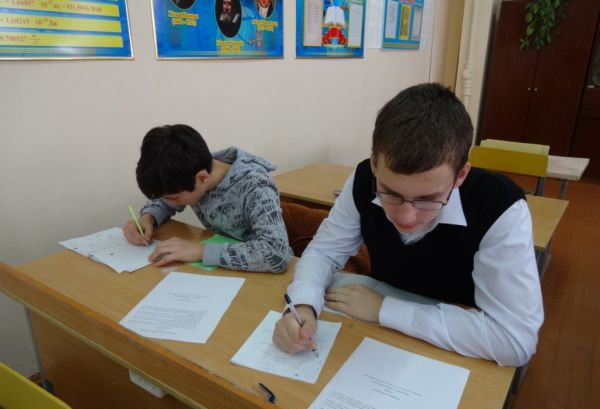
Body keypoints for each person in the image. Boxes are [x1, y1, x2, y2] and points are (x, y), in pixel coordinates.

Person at [273, 83, 544, 367]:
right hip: (379, 338)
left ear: (461, 175)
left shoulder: (499, 207)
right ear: (375, 165)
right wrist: (302, 304)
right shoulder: (365, 178)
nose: (405, 217)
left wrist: (385, 309)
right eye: (390, 193)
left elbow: (515, 341)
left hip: (460, 348)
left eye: (428, 199)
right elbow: (324, 252)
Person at [123, 124, 292, 273]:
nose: (169, 202)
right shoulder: (188, 169)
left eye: (174, 198)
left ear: (202, 178)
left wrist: (201, 251)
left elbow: (276, 253)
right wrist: (149, 217)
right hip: (222, 269)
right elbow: (165, 198)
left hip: (262, 272)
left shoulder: (255, 185)